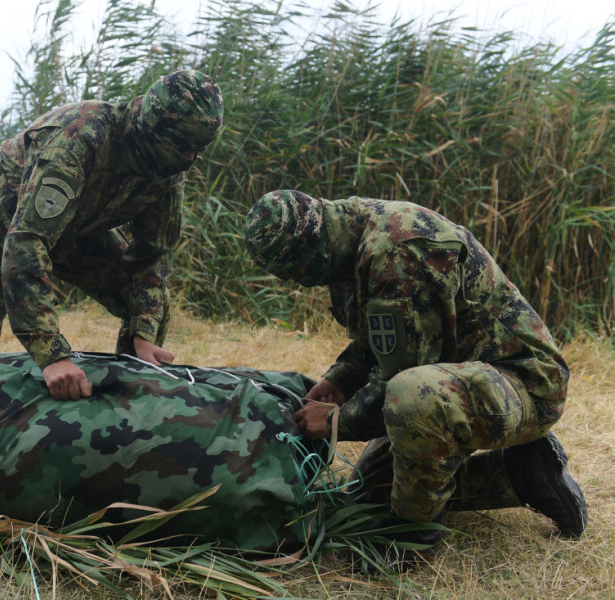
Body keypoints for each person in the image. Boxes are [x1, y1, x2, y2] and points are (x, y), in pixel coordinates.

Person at [244, 190, 588, 566]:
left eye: (298, 273)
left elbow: (402, 382)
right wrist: (341, 380)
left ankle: (412, 536)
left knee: (411, 400)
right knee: (369, 491)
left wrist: (335, 422)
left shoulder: (395, 250)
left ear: (311, 249)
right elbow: (380, 341)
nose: (303, 283)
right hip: (460, 378)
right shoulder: (344, 240)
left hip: (525, 383)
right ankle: (522, 474)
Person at [0, 70, 223, 401]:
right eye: (182, 149)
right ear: (151, 130)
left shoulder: (169, 166)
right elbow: (26, 241)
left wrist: (144, 335)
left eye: (199, 149)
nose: (191, 159)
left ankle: (127, 404)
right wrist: (52, 355)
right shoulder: (82, 139)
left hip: (74, 230)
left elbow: (151, 256)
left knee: (147, 302)